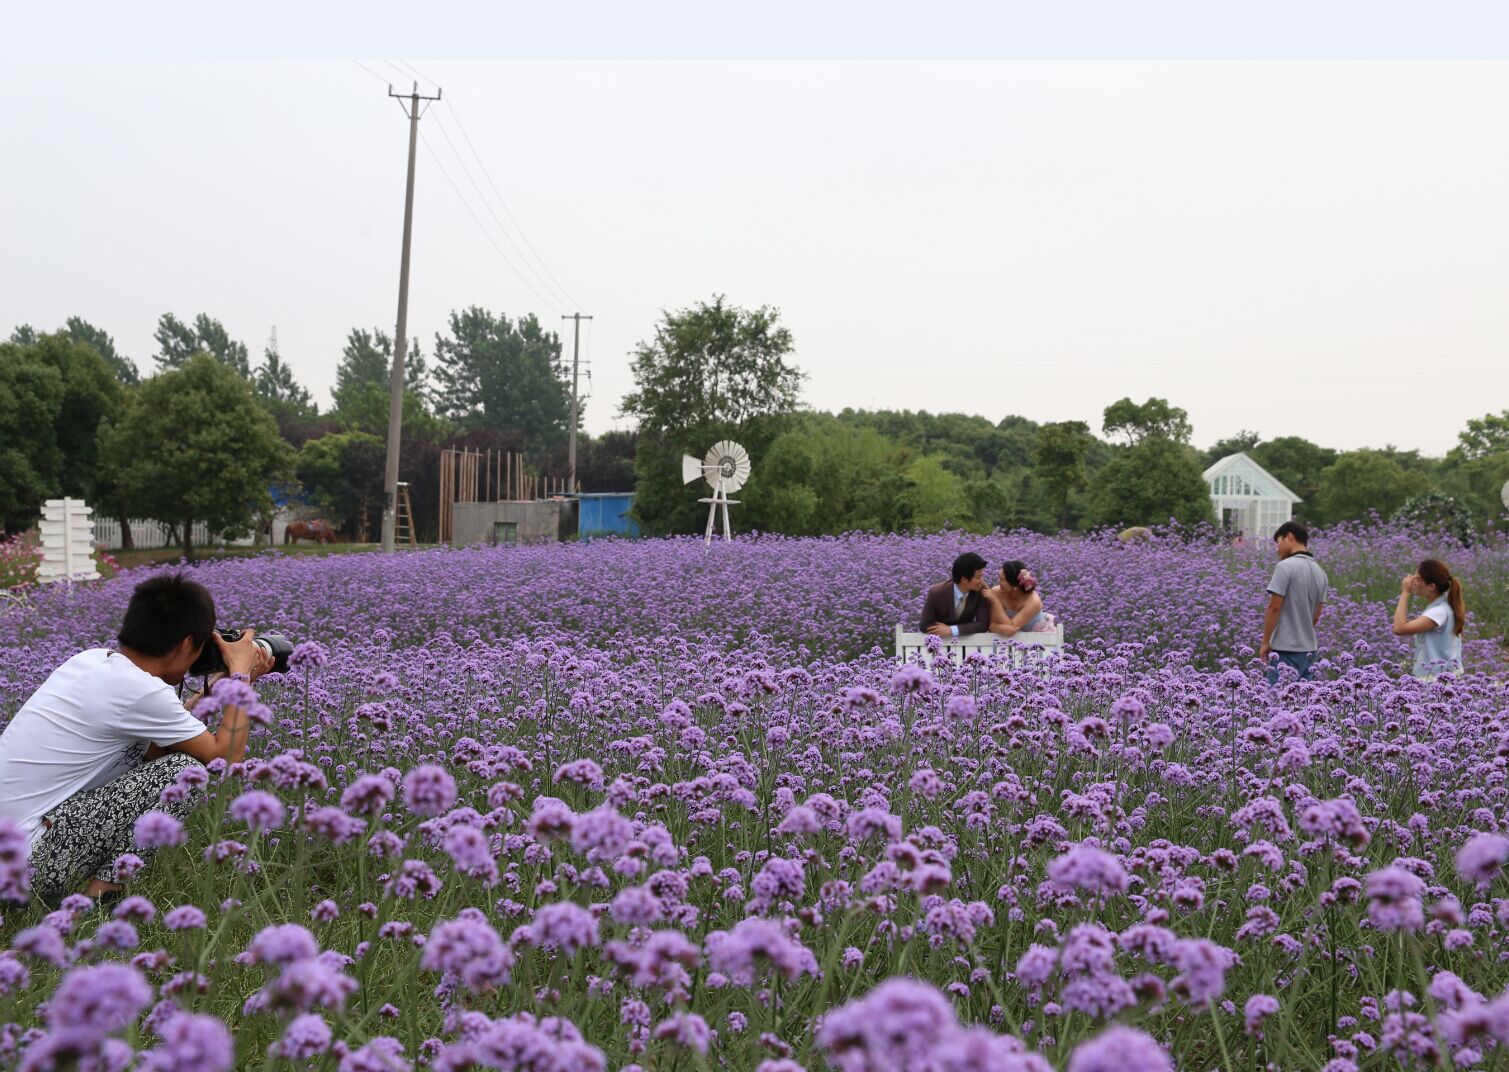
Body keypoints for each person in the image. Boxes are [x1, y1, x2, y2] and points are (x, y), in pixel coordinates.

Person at [0, 573, 273, 905]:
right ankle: (100, 903)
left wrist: (211, 693)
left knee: (164, 762)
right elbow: (225, 759)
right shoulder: (142, 691)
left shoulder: (90, 661)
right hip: (24, 870)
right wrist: (241, 677)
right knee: (187, 773)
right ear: (188, 644)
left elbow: (149, 756)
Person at [1259, 520, 1328, 683]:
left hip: (1285, 649)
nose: (1277, 549)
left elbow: (1274, 608)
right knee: (1302, 702)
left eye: (1278, 542)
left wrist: (1265, 643)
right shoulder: (1320, 573)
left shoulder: (1285, 567)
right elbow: (1316, 616)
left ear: (1289, 537)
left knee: (1277, 701)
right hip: (1309, 650)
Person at [1391, 558, 1465, 679]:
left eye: (1418, 579)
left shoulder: (1439, 612)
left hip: (1435, 679)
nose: (1413, 581)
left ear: (1431, 586)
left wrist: (1405, 592)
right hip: (1441, 676)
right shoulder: (1442, 607)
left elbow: (1399, 628)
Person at [920, 552, 991, 638]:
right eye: (978, 577)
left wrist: (952, 630)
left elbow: (983, 624)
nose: (982, 581)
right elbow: (924, 624)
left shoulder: (981, 591)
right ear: (964, 579)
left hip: (967, 644)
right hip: (940, 643)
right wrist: (942, 630)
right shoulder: (936, 592)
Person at [984, 560, 1049, 637]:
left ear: (1015, 587)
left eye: (1002, 580)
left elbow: (1011, 628)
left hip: (1038, 640)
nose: (999, 582)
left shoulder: (1033, 601)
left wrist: (996, 602)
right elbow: (991, 625)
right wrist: (1001, 629)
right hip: (1005, 641)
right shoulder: (996, 592)